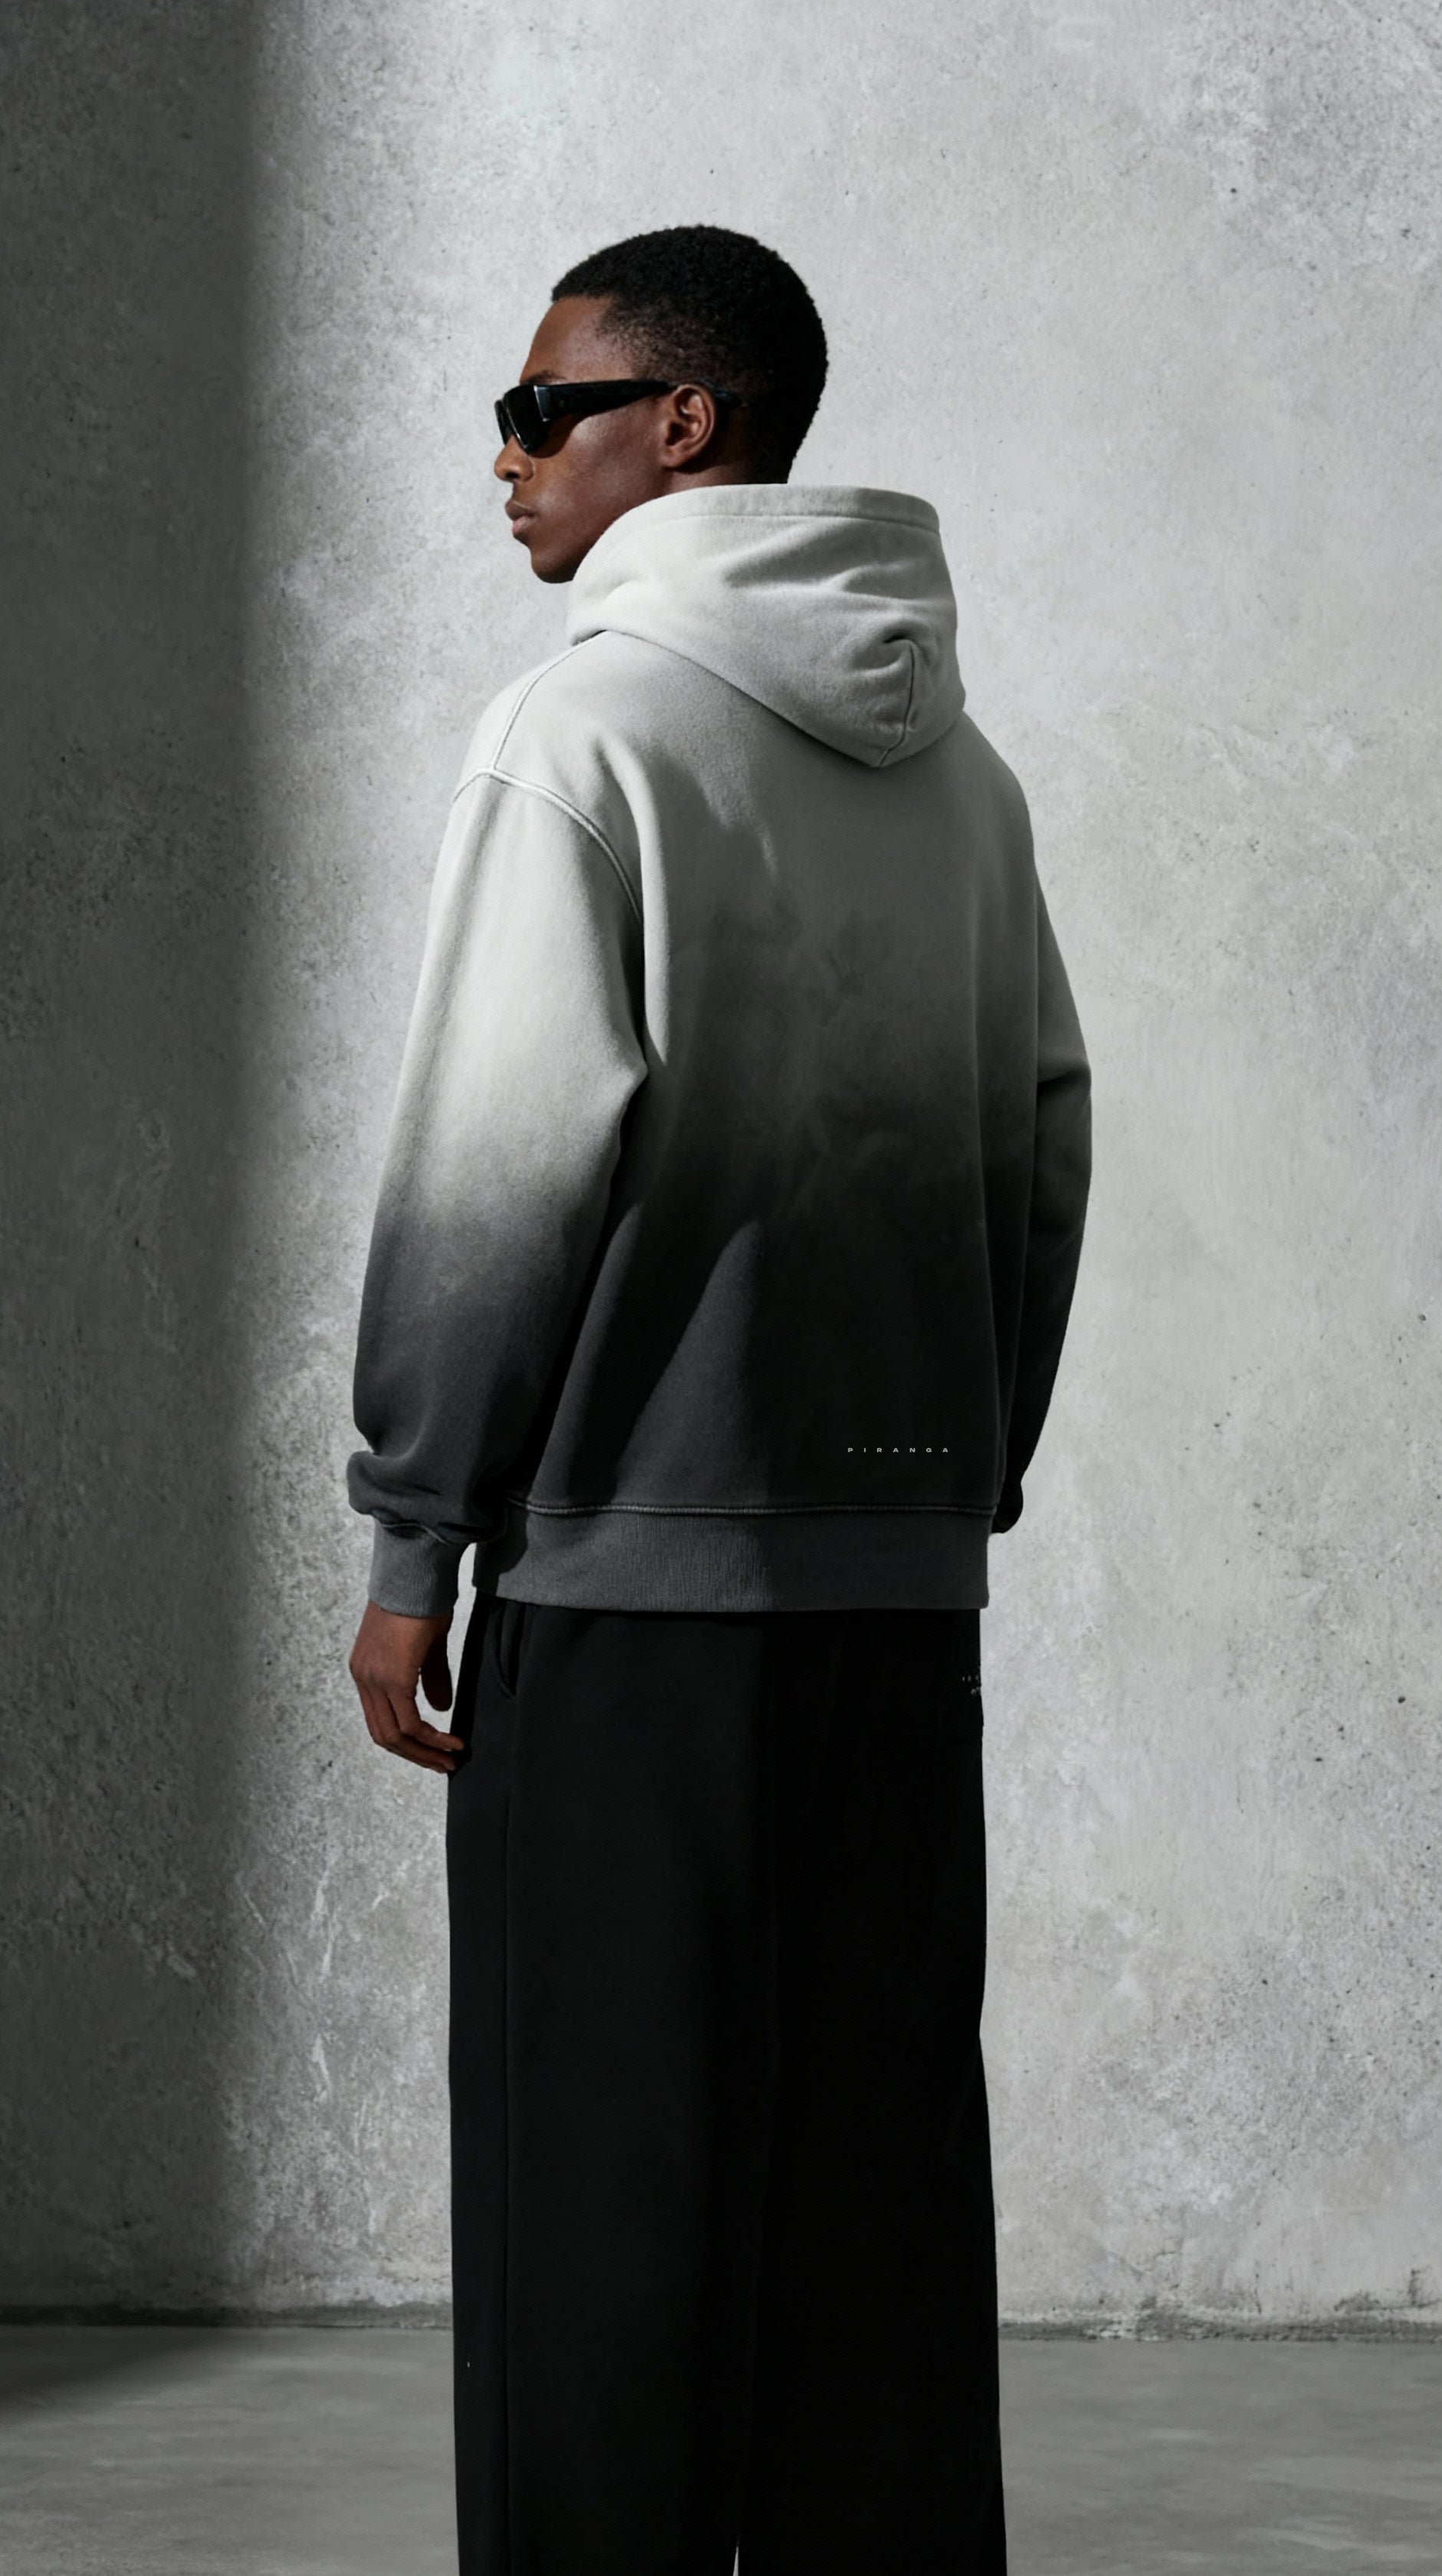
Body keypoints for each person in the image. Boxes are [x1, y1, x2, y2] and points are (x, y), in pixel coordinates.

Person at [344, 224, 1091, 2575]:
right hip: (897, 1597)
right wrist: (956, 1468)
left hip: (630, 1599)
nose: (504, 456)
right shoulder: (961, 775)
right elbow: (1042, 1144)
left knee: (601, 2232)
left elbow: (497, 1166)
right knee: (873, 2241)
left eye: (540, 409)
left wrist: (416, 1531)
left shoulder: (583, 738)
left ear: (686, 424)